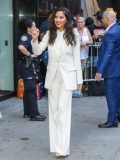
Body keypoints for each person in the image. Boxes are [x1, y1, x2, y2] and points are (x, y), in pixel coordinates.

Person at [31, 7, 83, 156]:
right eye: (56, 17)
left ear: (67, 19)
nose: (58, 20)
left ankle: (63, 148)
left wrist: (79, 79)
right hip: (53, 76)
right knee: (54, 111)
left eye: (61, 17)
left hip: (68, 76)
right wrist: (34, 40)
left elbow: (76, 59)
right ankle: (55, 145)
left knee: (63, 109)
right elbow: (37, 51)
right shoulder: (50, 34)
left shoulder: (73, 35)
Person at [95, 10, 120, 128]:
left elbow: (108, 53)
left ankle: (112, 120)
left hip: (111, 70)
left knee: (111, 95)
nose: (101, 20)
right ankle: (117, 115)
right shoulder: (117, 29)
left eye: (103, 18)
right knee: (117, 94)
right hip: (117, 68)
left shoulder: (110, 33)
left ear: (107, 19)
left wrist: (100, 70)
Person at [17, 18, 46, 121]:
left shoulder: (31, 36)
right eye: (33, 26)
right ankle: (34, 114)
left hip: (28, 65)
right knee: (31, 89)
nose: (35, 28)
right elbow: (21, 47)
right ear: (28, 28)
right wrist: (29, 54)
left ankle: (28, 112)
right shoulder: (25, 36)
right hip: (27, 65)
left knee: (28, 90)